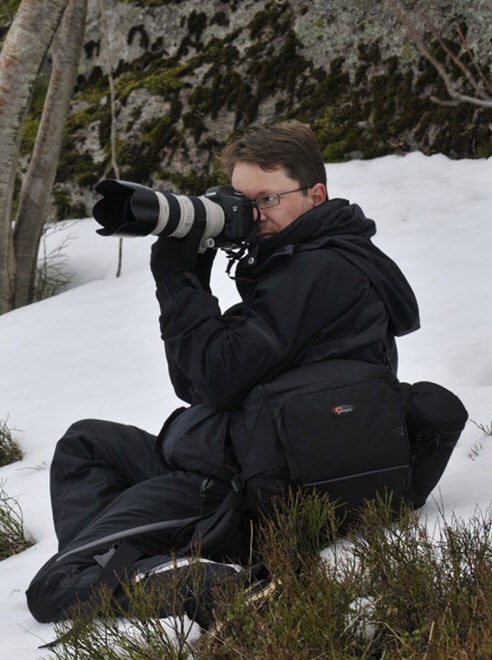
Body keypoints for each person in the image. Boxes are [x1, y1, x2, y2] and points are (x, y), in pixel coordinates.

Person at [26, 121, 463, 626]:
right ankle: (123, 563)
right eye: (240, 200)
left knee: (54, 589)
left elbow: (214, 379)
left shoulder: (317, 272)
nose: (252, 217)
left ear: (316, 194)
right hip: (231, 455)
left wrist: (177, 280)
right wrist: (193, 276)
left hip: (231, 487)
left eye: (268, 200)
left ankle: (181, 582)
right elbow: (192, 382)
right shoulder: (313, 260)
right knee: (88, 444)